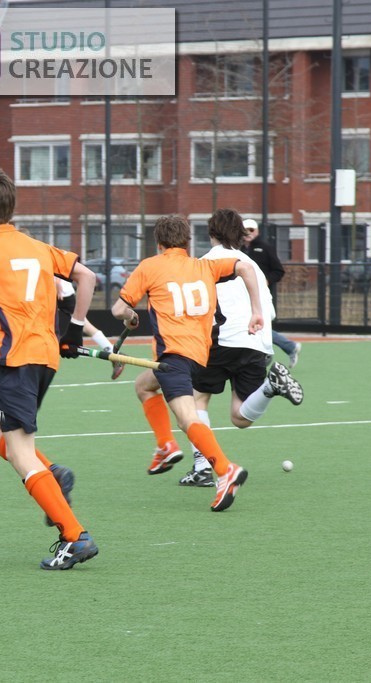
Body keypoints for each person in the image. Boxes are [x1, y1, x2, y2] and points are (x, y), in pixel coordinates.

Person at [0, 167, 99, 570]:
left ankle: (75, 536)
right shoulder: (37, 246)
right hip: (45, 358)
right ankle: (53, 474)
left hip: (17, 360)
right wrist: (74, 328)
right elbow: (87, 276)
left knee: (20, 452)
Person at [112, 214, 264, 513]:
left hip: (173, 355)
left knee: (187, 417)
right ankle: (165, 445)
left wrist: (130, 317)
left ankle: (225, 470)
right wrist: (256, 310)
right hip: (201, 354)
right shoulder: (204, 266)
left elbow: (119, 309)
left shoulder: (150, 266)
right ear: (187, 241)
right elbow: (245, 267)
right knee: (144, 385)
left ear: (158, 242)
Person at [180, 209, 304, 487]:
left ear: (211, 233)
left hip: (221, 340)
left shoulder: (203, 263)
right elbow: (269, 311)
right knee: (240, 417)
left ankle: (202, 468)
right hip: (257, 342)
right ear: (240, 234)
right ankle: (270, 387)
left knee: (196, 400)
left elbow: (197, 308)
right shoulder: (253, 265)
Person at [0, 278, 123, 384]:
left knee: (77, 328)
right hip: (49, 293)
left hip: (55, 293)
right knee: (83, 325)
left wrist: (55, 282)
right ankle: (113, 352)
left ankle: (113, 354)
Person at [241, 218, 302, 368]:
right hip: (244, 294)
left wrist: (266, 281)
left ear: (257, 231)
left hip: (262, 295)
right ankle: (288, 347)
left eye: (251, 230)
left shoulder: (265, 248)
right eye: (245, 230)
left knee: (258, 324)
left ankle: (269, 353)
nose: (248, 233)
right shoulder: (240, 250)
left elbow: (278, 271)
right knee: (252, 323)